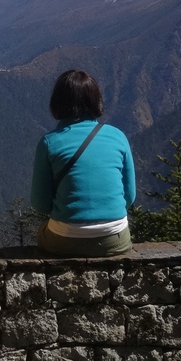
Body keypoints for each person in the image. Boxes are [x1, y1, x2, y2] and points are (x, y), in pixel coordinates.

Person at [30, 69, 136, 257]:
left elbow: (40, 204)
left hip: (64, 238)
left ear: (57, 102)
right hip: (115, 237)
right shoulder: (118, 137)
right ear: (96, 100)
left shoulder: (49, 142)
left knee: (43, 233)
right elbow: (129, 196)